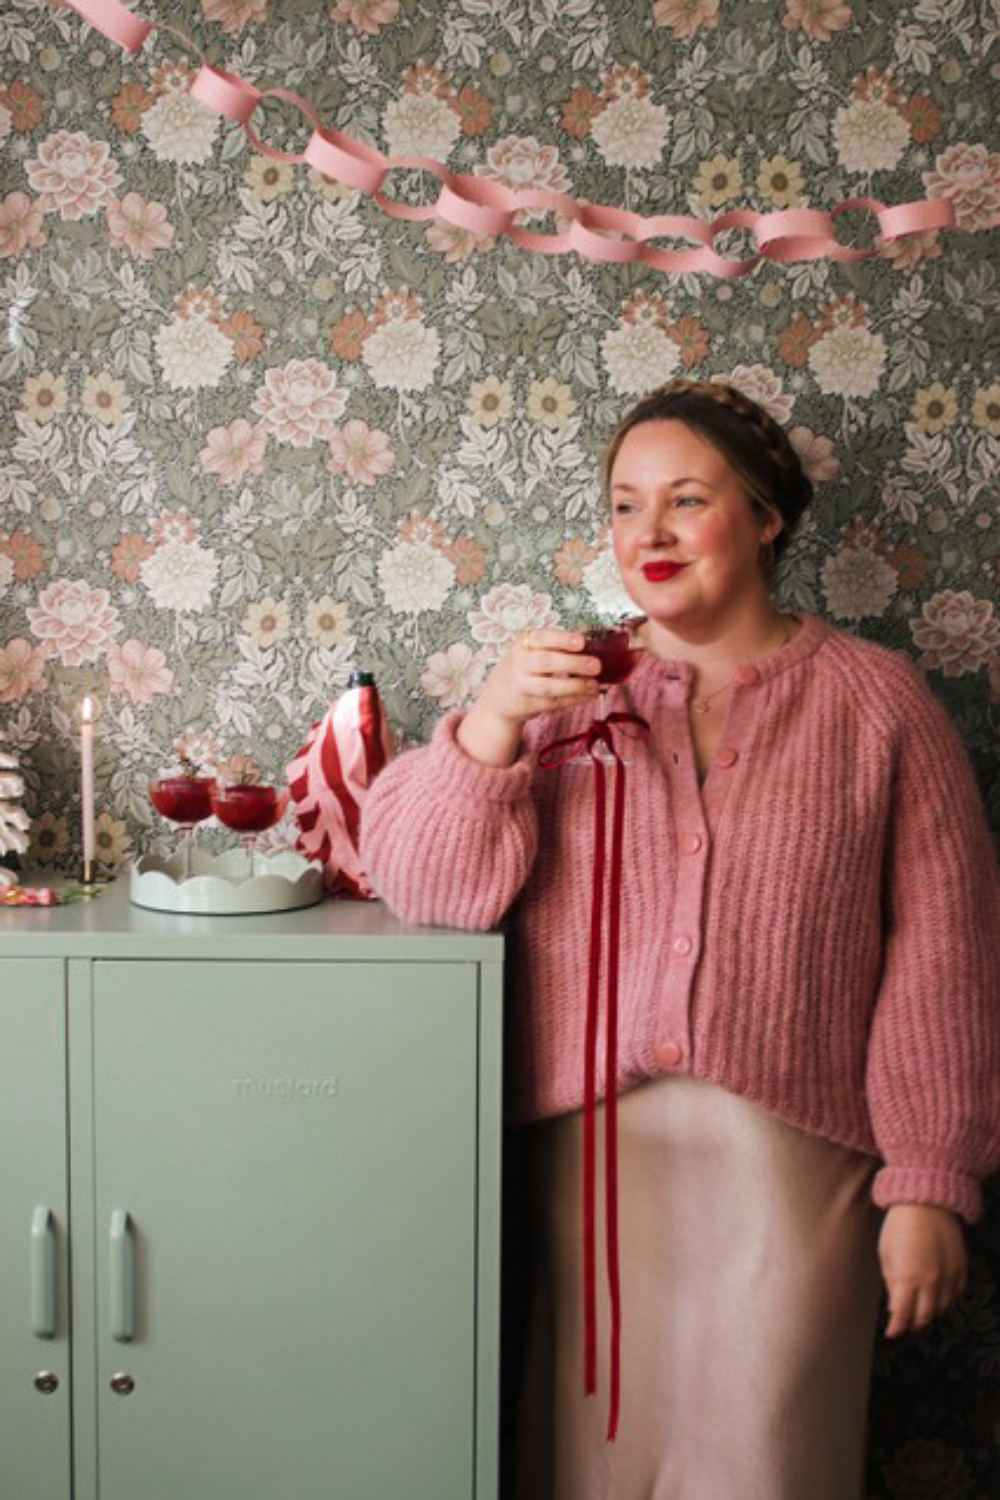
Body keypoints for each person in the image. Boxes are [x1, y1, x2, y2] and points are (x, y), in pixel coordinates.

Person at [359, 379, 1000, 1500]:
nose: (646, 534)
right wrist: (491, 726)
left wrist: (929, 1184)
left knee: (767, 1456)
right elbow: (428, 891)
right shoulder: (556, 691)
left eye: (685, 499)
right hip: (597, 1164)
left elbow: (945, 958)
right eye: (622, 505)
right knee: (598, 1458)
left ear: (764, 519)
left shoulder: (879, 705)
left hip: (802, 1165)